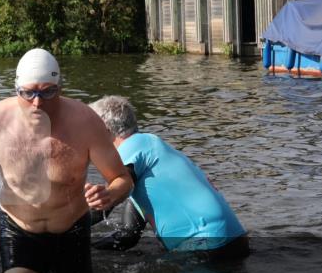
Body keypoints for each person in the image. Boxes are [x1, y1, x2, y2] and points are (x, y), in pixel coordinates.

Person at [0, 48, 134, 273]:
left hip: (71, 227)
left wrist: (109, 195)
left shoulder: (85, 122)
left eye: (47, 92)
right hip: (19, 228)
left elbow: (122, 179)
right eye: (28, 93)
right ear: (16, 89)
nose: (37, 102)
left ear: (60, 88)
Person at [88, 96, 248, 260]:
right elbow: (128, 235)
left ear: (104, 129)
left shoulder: (133, 147)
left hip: (206, 245)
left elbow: (103, 206)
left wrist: (62, 228)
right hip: (234, 242)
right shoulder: (148, 153)